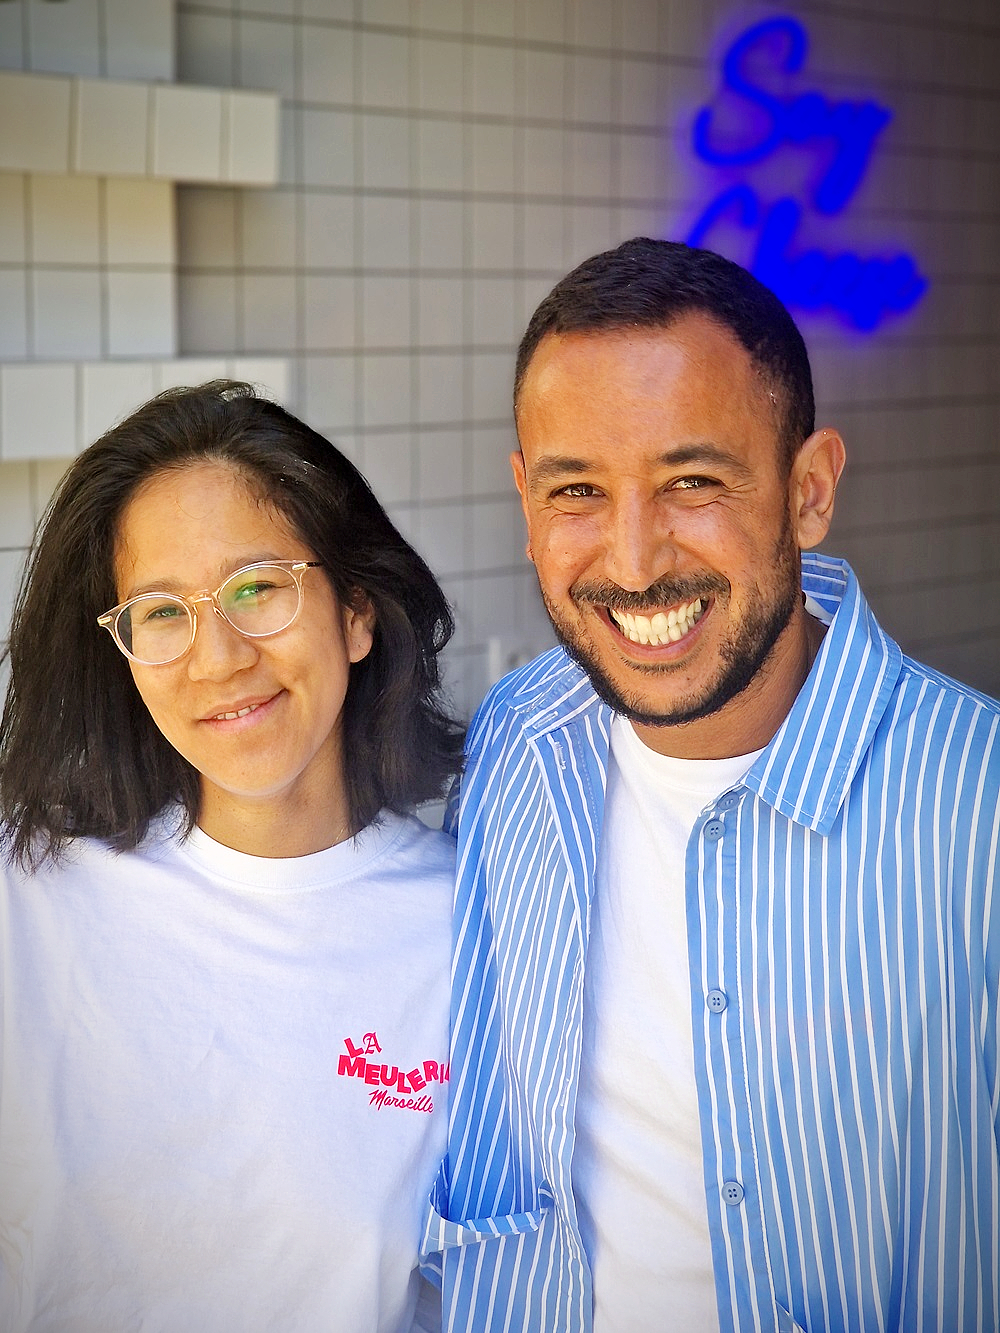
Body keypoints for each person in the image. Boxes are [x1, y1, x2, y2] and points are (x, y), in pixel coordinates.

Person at [423, 239, 1000, 1332]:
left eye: (691, 483)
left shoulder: (978, 810)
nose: (634, 562)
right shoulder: (514, 746)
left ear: (809, 488)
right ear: (523, 496)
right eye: (577, 491)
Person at [0, 381, 464, 1332]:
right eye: (162, 611)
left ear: (357, 610)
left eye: (258, 587)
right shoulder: (25, 895)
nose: (216, 658)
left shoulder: (470, 925)